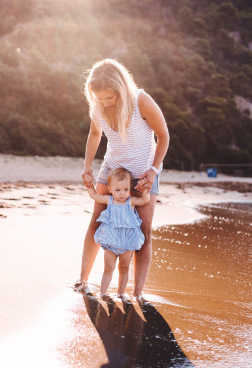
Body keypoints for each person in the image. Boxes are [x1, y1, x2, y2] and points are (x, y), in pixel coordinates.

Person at [75, 59, 170, 302]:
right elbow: (95, 134)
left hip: (144, 174)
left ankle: (137, 292)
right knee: (97, 222)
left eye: (109, 98)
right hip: (112, 171)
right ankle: (82, 279)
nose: (105, 103)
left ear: (121, 88)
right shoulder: (98, 106)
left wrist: (153, 171)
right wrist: (87, 165)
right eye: (100, 98)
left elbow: (163, 136)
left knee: (143, 231)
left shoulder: (141, 101)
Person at [86, 168, 150, 302]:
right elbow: (94, 195)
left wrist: (144, 189)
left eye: (126, 189)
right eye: (118, 190)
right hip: (110, 242)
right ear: (110, 189)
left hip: (127, 243)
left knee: (124, 268)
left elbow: (145, 200)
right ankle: (103, 293)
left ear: (129, 188)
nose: (122, 194)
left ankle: (120, 293)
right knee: (108, 268)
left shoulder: (130, 201)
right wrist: (89, 185)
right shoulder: (108, 200)